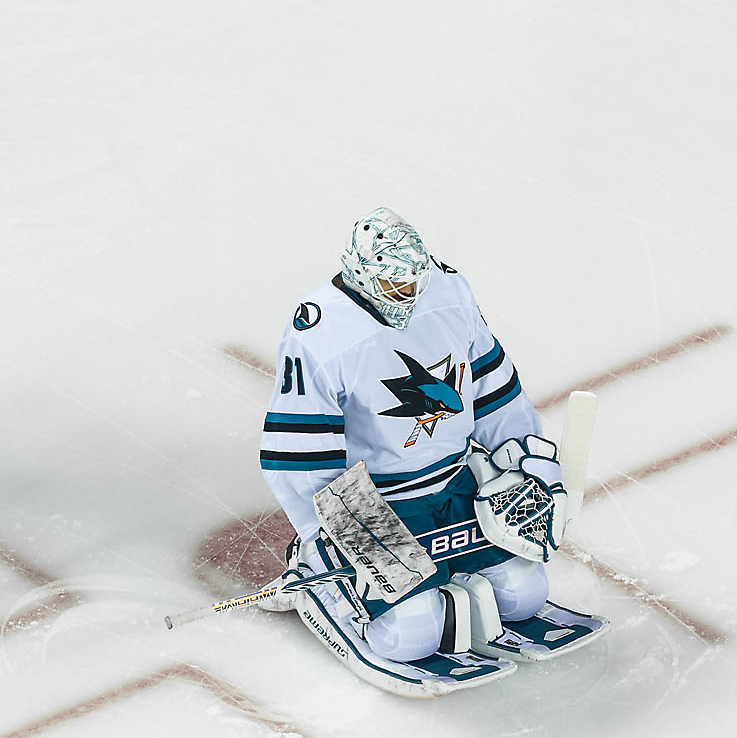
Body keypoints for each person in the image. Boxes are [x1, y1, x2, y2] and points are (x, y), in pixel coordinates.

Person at [258, 207, 606, 697]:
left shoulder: (447, 291)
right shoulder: (319, 331)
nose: (408, 294)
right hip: (377, 502)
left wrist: (526, 461)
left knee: (524, 596)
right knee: (411, 634)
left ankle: (430, 581)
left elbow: (491, 385)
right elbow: (299, 448)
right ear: (362, 274)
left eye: (413, 281)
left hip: (456, 480)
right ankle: (320, 578)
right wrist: (337, 529)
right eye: (393, 284)